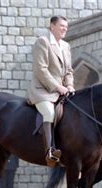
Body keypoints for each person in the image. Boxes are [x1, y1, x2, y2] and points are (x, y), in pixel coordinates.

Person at [27, 16, 75, 164]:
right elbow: (41, 70)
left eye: (66, 27)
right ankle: (50, 151)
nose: (64, 29)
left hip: (62, 91)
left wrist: (70, 85)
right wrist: (57, 86)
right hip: (43, 90)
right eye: (61, 26)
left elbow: (68, 71)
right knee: (49, 112)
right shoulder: (43, 42)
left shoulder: (66, 46)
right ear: (52, 26)